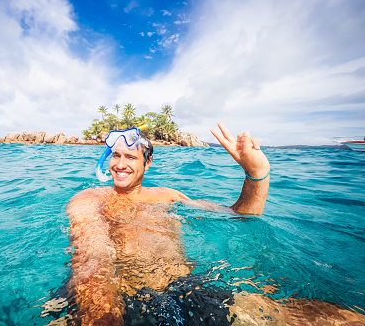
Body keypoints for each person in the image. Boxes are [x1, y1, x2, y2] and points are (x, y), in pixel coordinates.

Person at [42, 122, 364, 325]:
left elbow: (240, 215)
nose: (120, 163)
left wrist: (256, 175)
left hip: (190, 290)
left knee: (335, 318)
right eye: (115, 155)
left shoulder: (168, 195)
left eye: (130, 157)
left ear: (148, 163)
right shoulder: (90, 200)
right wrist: (102, 314)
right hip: (128, 302)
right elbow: (92, 261)